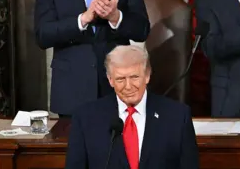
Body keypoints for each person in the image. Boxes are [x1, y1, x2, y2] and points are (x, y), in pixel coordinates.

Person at [65, 45, 199, 169]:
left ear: (147, 75)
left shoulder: (178, 116)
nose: (128, 86)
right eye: (120, 79)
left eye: (134, 77)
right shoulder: (85, 118)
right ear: (110, 80)